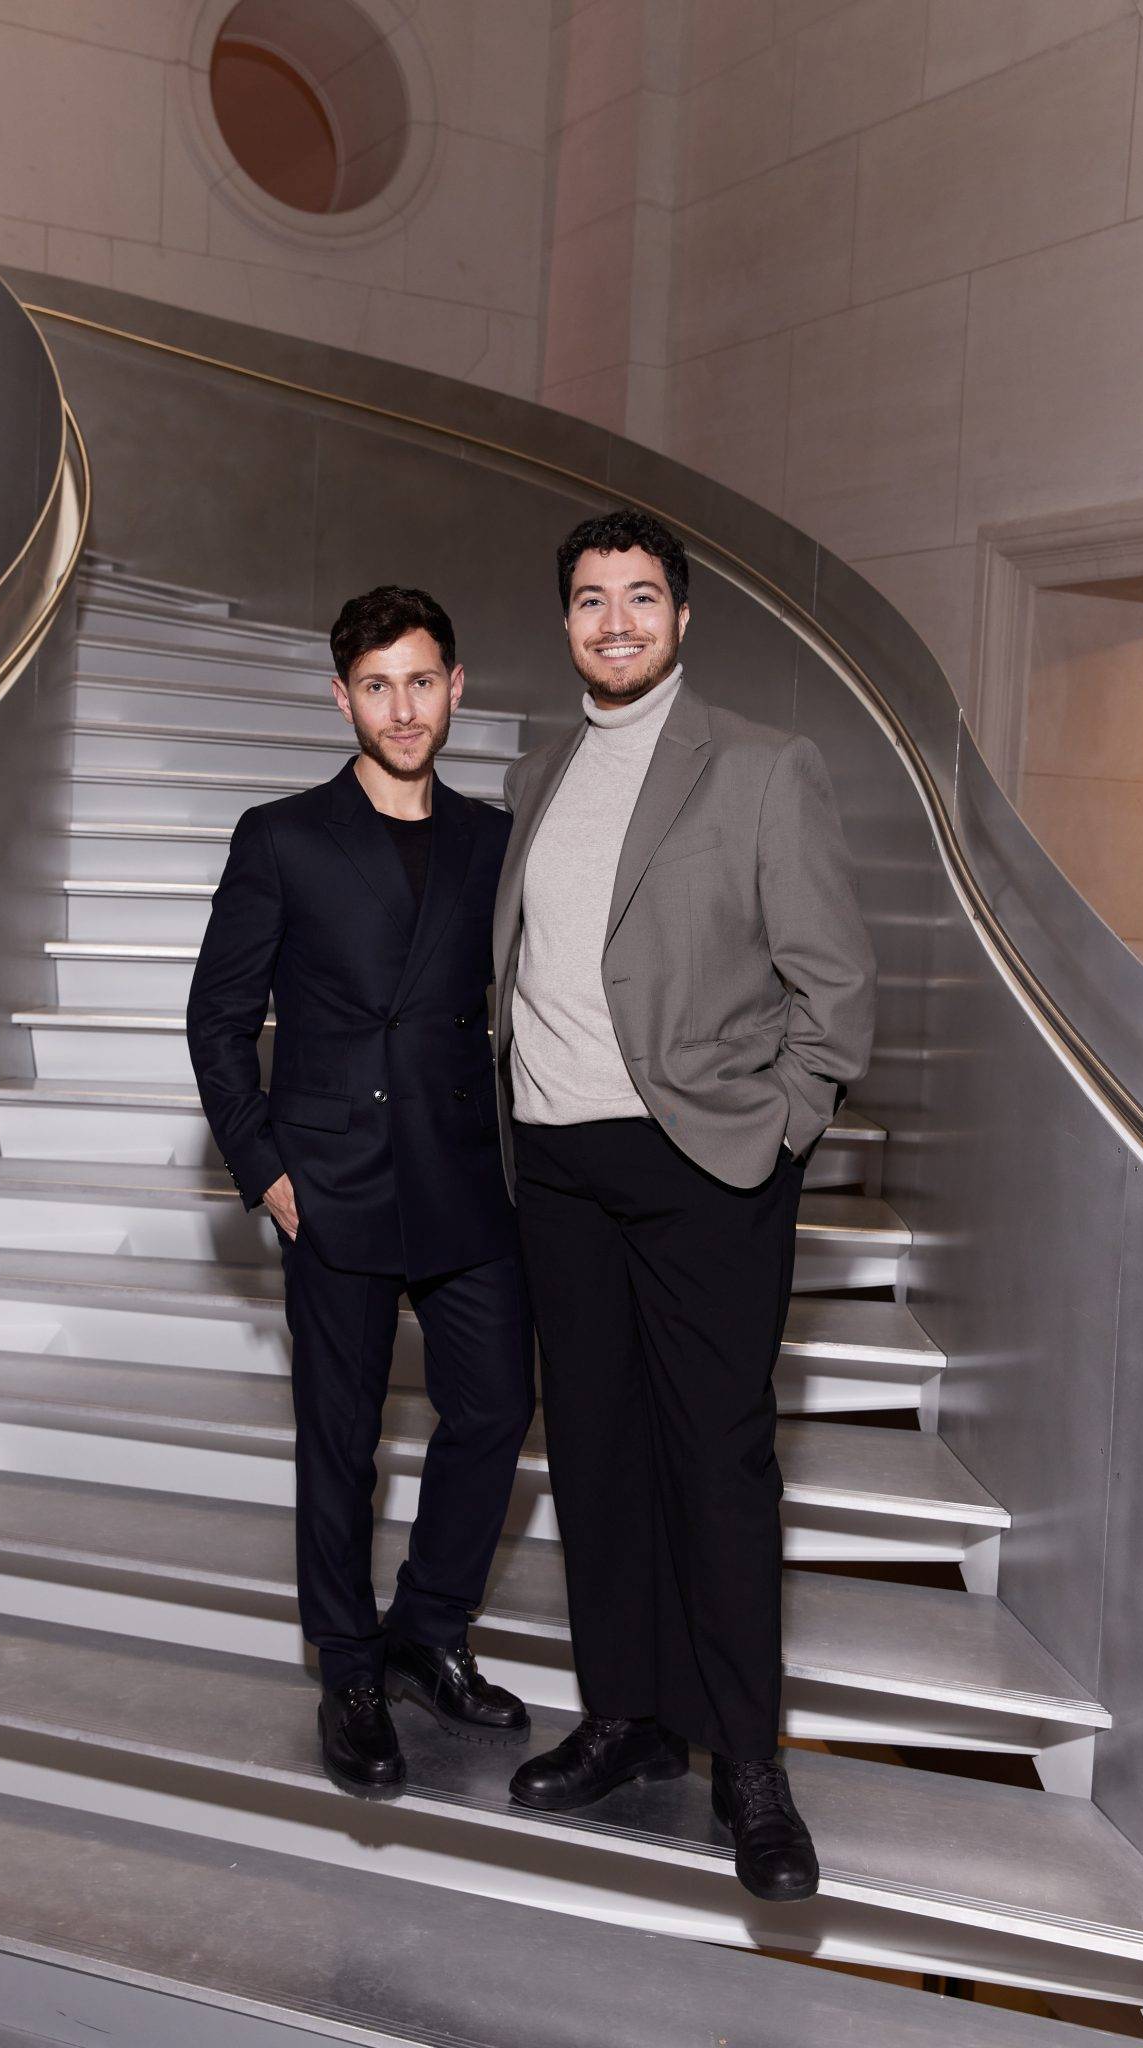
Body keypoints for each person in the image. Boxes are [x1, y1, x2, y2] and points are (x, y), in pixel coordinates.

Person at [492, 509, 875, 1901]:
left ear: (682, 616)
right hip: (557, 1172)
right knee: (591, 1452)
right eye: (588, 599)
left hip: (704, 1167)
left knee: (714, 1467)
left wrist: (774, 1138)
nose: (614, 621)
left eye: (639, 597)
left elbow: (832, 992)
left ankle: (749, 1766)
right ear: (564, 621)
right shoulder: (535, 773)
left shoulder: (763, 769)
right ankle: (628, 1721)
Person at [187, 585, 535, 1801]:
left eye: (421, 679)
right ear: (342, 696)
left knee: (493, 1406)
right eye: (376, 683)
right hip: (329, 1180)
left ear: (455, 688)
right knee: (337, 1440)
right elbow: (218, 1017)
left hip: (461, 1175)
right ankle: (346, 1665)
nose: (402, 704)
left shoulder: (495, 838)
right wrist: (264, 1166)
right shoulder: (281, 834)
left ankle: (425, 1627)